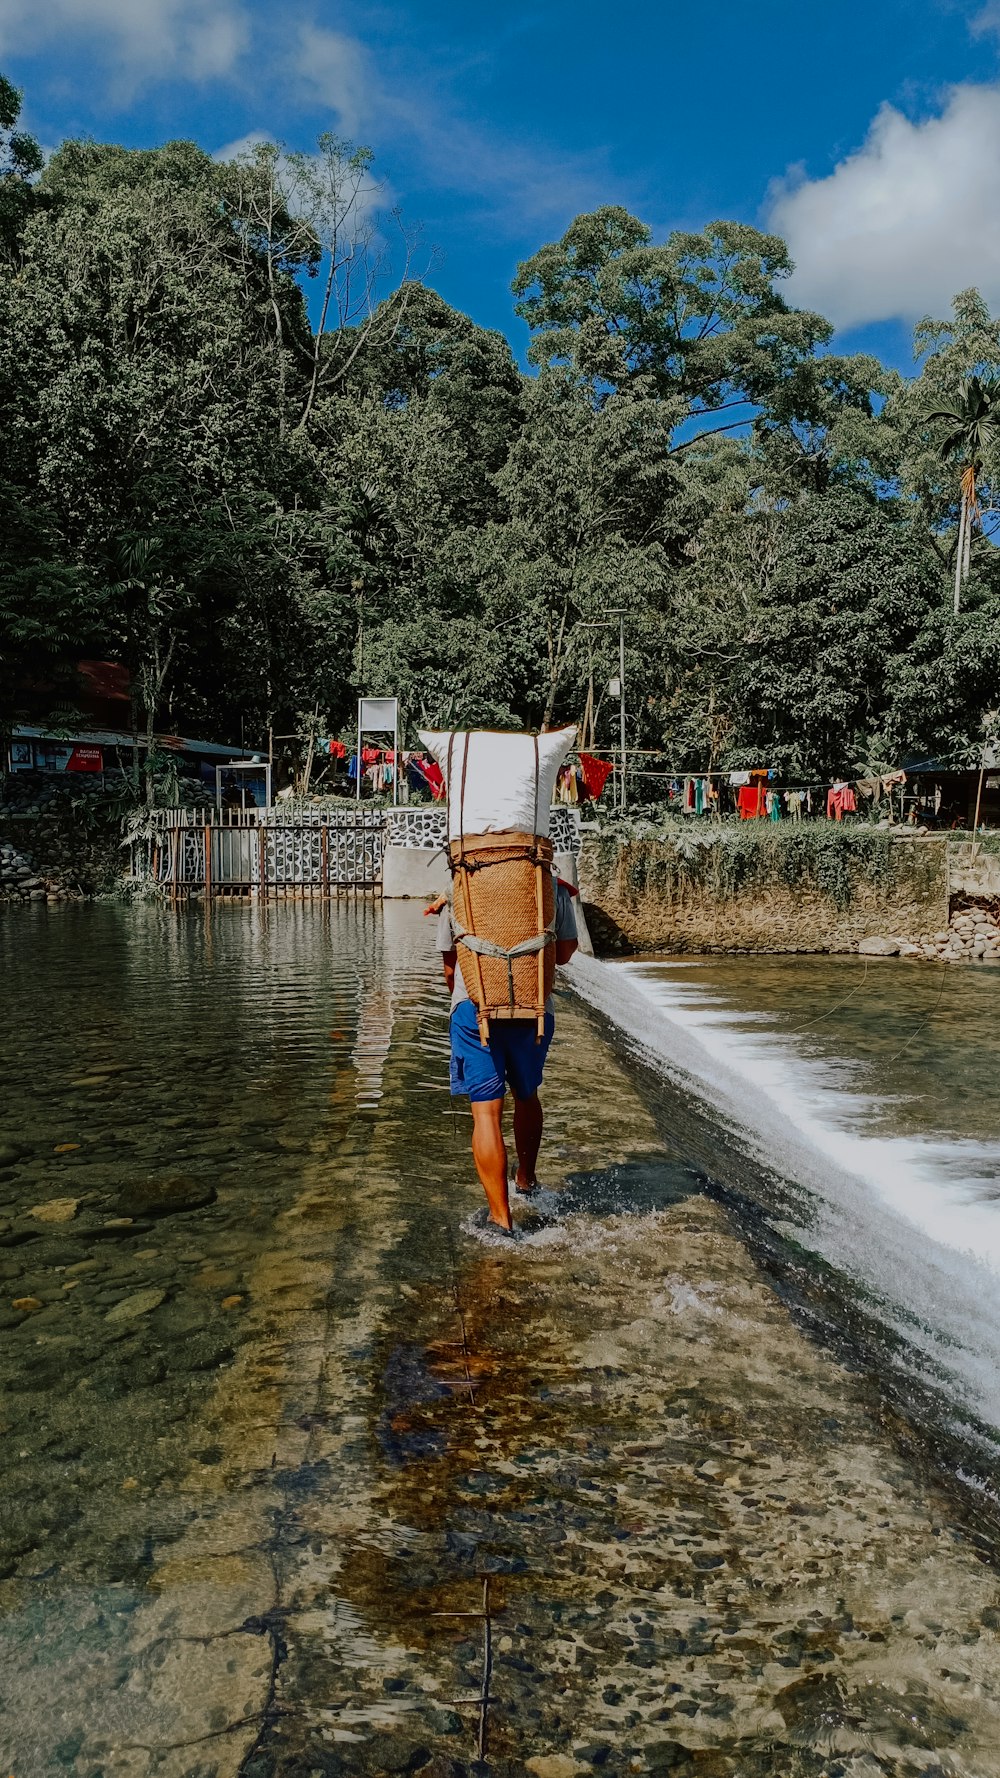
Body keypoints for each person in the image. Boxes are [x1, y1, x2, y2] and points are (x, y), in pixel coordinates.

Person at [435, 879, 578, 1232]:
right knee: (526, 1094)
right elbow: (564, 953)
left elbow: (450, 968)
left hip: (473, 1009)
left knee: (485, 1113)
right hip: (534, 1010)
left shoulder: (459, 887)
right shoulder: (551, 886)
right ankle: (526, 1179)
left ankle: (501, 1219)